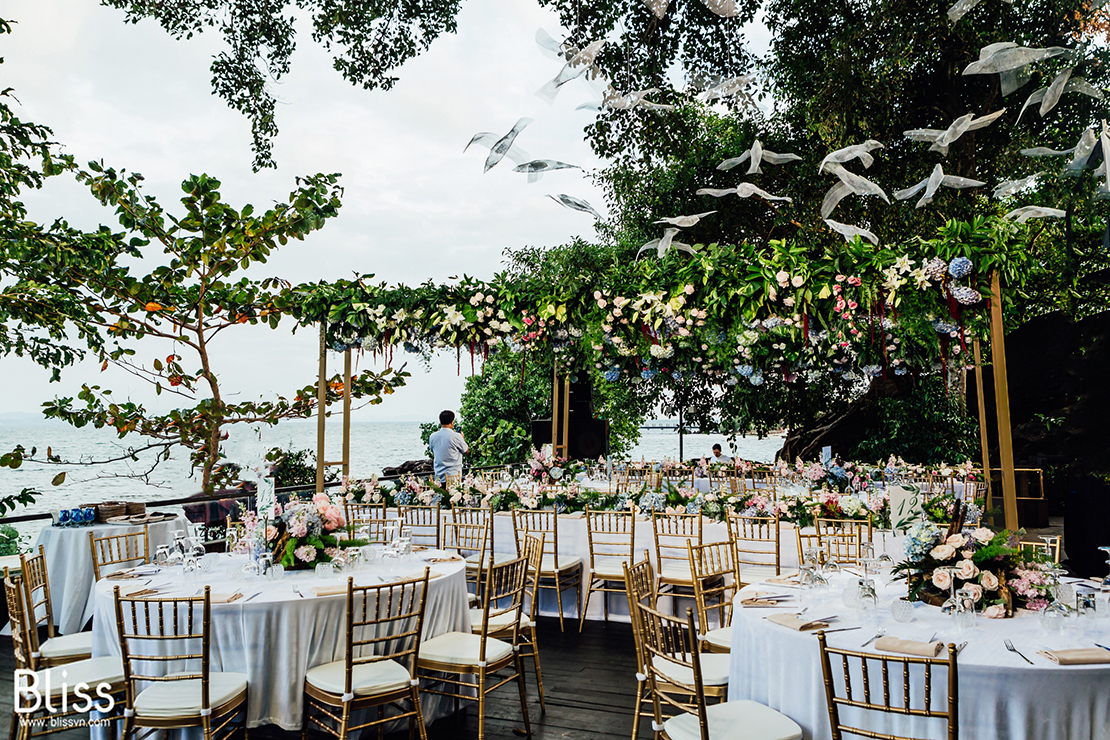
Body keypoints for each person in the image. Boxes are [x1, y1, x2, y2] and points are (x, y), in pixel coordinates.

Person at [429, 410, 468, 483]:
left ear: (440, 421)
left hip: (439, 476)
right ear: (452, 422)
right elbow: (466, 450)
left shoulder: (432, 436)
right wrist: (462, 438)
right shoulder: (456, 436)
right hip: (454, 476)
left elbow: (432, 450)